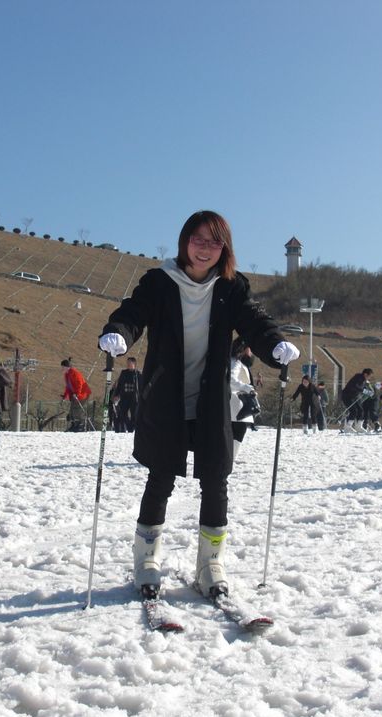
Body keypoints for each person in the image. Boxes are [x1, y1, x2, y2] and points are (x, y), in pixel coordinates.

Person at [97, 210, 299, 598]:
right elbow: (133, 312)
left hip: (211, 401)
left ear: (225, 249)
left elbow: (254, 322)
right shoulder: (158, 282)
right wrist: (118, 332)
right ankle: (147, 559)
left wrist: (274, 343)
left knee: (216, 480)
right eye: (198, 239)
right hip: (166, 399)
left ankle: (210, 563)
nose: (205, 248)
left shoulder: (231, 287)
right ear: (184, 241)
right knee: (160, 478)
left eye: (214, 242)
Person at [228, 338, 259, 458]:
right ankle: (230, 458)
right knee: (238, 433)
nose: (251, 353)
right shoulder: (235, 363)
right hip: (236, 404)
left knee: (237, 433)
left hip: (237, 405)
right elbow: (231, 380)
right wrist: (247, 388)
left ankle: (230, 457)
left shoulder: (237, 362)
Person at [111, 357, 144, 433]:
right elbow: (119, 385)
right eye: (127, 363)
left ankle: (131, 430)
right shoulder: (123, 373)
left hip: (134, 398)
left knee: (134, 415)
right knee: (122, 413)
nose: (128, 364)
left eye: (130, 363)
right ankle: (128, 426)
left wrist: (141, 397)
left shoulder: (138, 374)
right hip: (124, 397)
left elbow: (141, 387)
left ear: (134, 364)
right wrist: (116, 395)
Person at [61, 359, 92, 432]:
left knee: (77, 409)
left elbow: (79, 384)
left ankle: (80, 425)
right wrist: (65, 395)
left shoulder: (74, 373)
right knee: (72, 410)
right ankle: (74, 424)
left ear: (67, 367)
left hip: (82, 394)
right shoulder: (67, 374)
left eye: (63, 367)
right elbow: (68, 386)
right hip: (75, 395)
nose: (62, 369)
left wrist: (77, 394)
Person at [341, 368, 373, 433]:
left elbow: (362, 387)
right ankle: (348, 427)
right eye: (369, 376)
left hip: (355, 397)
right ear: (365, 374)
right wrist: (364, 391)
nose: (369, 378)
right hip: (347, 396)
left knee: (361, 410)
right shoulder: (358, 378)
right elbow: (355, 386)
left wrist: (368, 392)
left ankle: (359, 427)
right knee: (353, 410)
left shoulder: (363, 380)